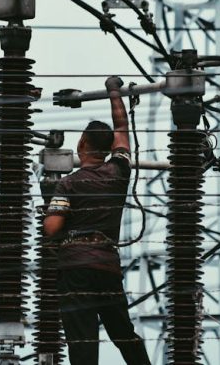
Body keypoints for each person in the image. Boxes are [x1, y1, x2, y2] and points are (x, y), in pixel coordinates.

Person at [43, 76, 151, 365]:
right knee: (123, 332)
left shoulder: (68, 184)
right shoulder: (118, 172)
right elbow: (122, 129)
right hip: (106, 263)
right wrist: (114, 92)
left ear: (81, 142)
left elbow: (52, 228)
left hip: (75, 266)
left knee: (82, 339)